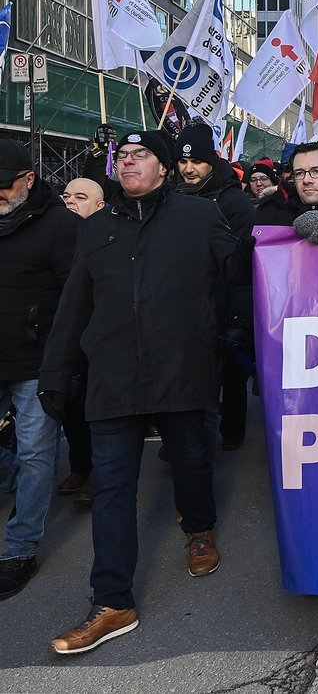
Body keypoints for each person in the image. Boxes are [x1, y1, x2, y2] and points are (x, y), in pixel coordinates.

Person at [38, 130, 251, 653]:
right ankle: (112, 601)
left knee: (191, 461)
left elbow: (240, 270)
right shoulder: (97, 227)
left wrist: (287, 237)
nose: (129, 161)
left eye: (142, 155)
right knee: (112, 489)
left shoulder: (199, 217)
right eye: (124, 155)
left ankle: (198, 528)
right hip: (112, 378)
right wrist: (55, 372)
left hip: (181, 371)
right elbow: (74, 304)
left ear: (165, 168)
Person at [0, 142, 79, 601]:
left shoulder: (61, 226)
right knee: (23, 459)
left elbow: (75, 295)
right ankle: (12, 479)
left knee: (36, 453)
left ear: (29, 180)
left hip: (36, 361)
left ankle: (20, 549)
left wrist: (61, 358)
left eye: (3, 185)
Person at [174, 125, 256, 452]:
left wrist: (239, 318)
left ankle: (232, 430)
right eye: (183, 162)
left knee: (232, 376)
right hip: (186, 307)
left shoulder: (235, 202)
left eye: (196, 162)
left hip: (225, 305)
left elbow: (242, 265)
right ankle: (189, 441)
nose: (188, 169)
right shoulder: (172, 196)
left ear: (212, 161)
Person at [56, 178, 106, 505]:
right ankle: (80, 466)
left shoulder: (106, 237)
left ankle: (96, 474)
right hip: (63, 332)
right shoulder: (56, 235)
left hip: (98, 335)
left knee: (95, 407)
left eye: (80, 196)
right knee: (70, 406)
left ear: (99, 206)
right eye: (66, 195)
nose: (70, 201)